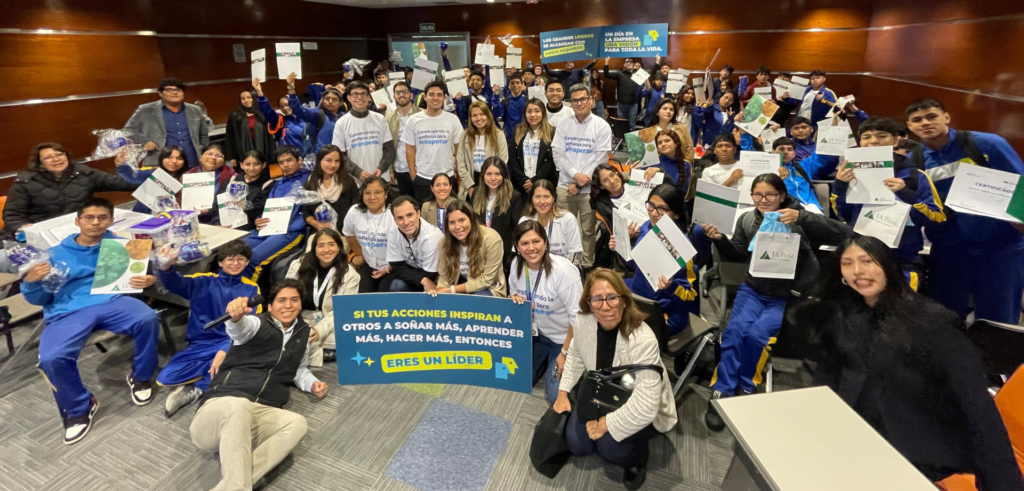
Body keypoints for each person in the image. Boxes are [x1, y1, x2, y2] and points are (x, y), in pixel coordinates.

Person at [798, 236, 1024, 490]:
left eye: (867, 261)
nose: (857, 271)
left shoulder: (931, 323)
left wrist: (1002, 485)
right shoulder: (846, 314)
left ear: (887, 266)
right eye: (847, 263)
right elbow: (829, 375)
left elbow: (976, 406)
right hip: (855, 438)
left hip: (912, 453)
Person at [24, 198, 159, 445]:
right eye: (89, 217)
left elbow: (137, 278)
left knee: (147, 318)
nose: (96, 222)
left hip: (112, 301)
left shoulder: (123, 246)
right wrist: (31, 282)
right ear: (78, 221)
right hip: (67, 310)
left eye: (102, 217)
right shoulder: (54, 255)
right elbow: (40, 299)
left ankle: (141, 376)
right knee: (51, 358)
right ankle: (79, 407)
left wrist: (149, 281)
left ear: (111, 220)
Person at [701, 174, 819, 431]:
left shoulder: (796, 223)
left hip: (781, 296)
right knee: (734, 332)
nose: (763, 200)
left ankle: (747, 384)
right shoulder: (747, 219)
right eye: (758, 194)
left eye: (770, 195)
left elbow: (812, 266)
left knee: (757, 336)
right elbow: (738, 254)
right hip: (752, 290)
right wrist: (719, 239)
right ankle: (723, 387)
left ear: (782, 196)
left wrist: (796, 293)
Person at [189, 279, 328, 491]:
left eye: (294, 300)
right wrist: (236, 318)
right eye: (281, 300)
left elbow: (298, 369)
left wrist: (312, 383)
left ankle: (231, 485)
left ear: (301, 304)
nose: (288, 305)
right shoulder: (256, 324)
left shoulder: (303, 333)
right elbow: (240, 331)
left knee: (297, 423)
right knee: (239, 404)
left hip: (258, 414)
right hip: (220, 409)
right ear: (270, 306)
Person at [553, 269, 677, 490]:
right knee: (578, 445)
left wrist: (605, 424)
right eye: (597, 299)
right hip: (602, 393)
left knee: (610, 449)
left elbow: (646, 404)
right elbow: (576, 355)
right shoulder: (583, 321)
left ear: (624, 299)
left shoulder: (644, 340)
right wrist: (563, 392)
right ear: (589, 303)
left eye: (612, 297)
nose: (605, 306)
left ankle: (636, 460)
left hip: (636, 401)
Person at [905, 98, 1024, 324]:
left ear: (946, 117)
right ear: (910, 127)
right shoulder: (913, 162)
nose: (925, 123)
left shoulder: (989, 144)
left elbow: (1020, 186)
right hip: (949, 250)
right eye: (917, 120)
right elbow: (919, 208)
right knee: (946, 319)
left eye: (931, 116)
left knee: (998, 320)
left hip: (1000, 247)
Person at [831, 117, 945, 290]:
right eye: (867, 137)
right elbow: (843, 215)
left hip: (903, 260)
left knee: (903, 307)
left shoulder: (916, 176)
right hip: (863, 257)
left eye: (882, 136)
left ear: (895, 141)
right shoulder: (849, 175)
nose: (873, 141)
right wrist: (840, 186)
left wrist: (906, 194)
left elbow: (936, 218)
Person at [156, 239, 260, 417]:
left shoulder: (251, 289)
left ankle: (198, 387)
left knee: (237, 363)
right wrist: (165, 267)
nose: (235, 263)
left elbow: (251, 326)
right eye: (230, 259)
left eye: (241, 259)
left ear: (247, 262)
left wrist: (224, 350)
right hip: (200, 344)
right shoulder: (203, 281)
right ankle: (219, 373)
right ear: (220, 262)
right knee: (165, 378)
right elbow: (174, 283)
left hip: (231, 344)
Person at [613, 183, 706, 334]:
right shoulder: (646, 227)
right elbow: (635, 265)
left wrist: (671, 286)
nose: (654, 213)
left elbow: (689, 296)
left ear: (676, 214)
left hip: (665, 310)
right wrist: (622, 246)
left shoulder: (683, 247)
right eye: (651, 206)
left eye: (662, 209)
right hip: (639, 295)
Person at [508, 221, 583, 404]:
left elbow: (579, 318)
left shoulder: (564, 271)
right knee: (514, 378)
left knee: (556, 395)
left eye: (536, 241)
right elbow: (514, 293)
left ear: (545, 243)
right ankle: (543, 361)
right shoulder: (516, 264)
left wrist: (565, 353)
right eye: (524, 243)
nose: (531, 248)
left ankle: (575, 366)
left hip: (563, 340)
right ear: (517, 246)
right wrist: (515, 299)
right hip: (534, 335)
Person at [2, 143, 135, 240]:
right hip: (44, 234)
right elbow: (13, 215)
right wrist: (22, 228)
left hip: (78, 230)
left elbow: (125, 183)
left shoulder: (83, 173)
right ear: (40, 163)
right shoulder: (25, 182)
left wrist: (124, 168)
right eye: (48, 157)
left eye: (60, 154)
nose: (56, 159)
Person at [552, 83, 612, 272]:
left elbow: (601, 160)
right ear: (570, 103)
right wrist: (575, 175)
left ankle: (586, 266)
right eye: (575, 100)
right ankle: (564, 265)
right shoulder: (564, 125)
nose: (579, 103)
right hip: (565, 187)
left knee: (587, 231)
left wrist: (580, 183)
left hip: (589, 190)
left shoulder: (601, 126)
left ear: (591, 100)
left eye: (583, 99)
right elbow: (558, 154)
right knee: (563, 228)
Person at [286, 229, 359, 365]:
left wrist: (319, 330)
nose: (326, 250)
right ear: (314, 249)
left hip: (330, 322)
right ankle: (322, 355)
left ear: (339, 247)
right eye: (321, 245)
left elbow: (342, 311)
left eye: (331, 244)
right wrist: (296, 324)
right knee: (289, 339)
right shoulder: (298, 266)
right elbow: (287, 297)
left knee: (347, 339)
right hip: (300, 318)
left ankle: (313, 354)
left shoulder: (351, 275)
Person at [243, 145, 311, 282]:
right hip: (268, 228)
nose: (285, 165)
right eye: (281, 162)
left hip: (291, 231)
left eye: (289, 160)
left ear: (299, 160)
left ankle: (247, 292)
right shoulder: (279, 183)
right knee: (234, 250)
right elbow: (269, 207)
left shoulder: (310, 179)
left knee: (253, 258)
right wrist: (259, 219)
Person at [124, 77, 209, 169]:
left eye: (178, 90)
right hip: (158, 163)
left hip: (192, 162)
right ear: (160, 93)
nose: (174, 92)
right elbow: (128, 130)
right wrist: (145, 142)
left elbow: (203, 135)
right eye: (169, 90)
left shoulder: (195, 110)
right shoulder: (145, 110)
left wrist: (201, 150)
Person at [401, 81, 464, 202]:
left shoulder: (453, 119)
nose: (435, 98)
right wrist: (414, 176)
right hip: (423, 177)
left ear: (444, 98)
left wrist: (457, 172)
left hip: (448, 176)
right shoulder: (413, 120)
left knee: (449, 211)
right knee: (425, 211)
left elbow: (459, 148)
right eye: (431, 94)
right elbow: (410, 149)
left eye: (439, 95)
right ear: (425, 97)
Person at [430, 200, 506, 297]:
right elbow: (444, 277)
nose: (457, 227)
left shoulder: (491, 239)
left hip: (488, 288)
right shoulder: (444, 243)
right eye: (452, 222)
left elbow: (486, 280)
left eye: (461, 220)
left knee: (476, 300)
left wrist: (449, 290)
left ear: (471, 219)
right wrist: (440, 291)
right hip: (457, 286)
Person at [331, 81, 396, 183]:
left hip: (381, 177)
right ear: (349, 98)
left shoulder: (379, 119)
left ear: (369, 97)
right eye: (355, 94)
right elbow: (339, 154)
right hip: (355, 181)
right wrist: (357, 172)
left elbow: (389, 149)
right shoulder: (341, 123)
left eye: (363, 94)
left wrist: (381, 168)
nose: (359, 97)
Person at [342, 177, 397, 292]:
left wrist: (389, 268)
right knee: (363, 293)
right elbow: (349, 234)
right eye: (367, 193)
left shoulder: (395, 213)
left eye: (378, 192)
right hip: (369, 264)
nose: (372, 197)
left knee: (384, 292)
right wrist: (359, 254)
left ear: (386, 194)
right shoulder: (354, 211)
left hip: (394, 266)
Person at [468, 157, 524, 272]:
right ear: (483, 175)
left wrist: (510, 258)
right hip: (479, 252)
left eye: (497, 174)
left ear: (504, 176)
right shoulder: (476, 193)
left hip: (503, 255)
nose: (493, 178)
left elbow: (517, 231)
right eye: (488, 174)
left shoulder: (514, 197)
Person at [385, 195, 444, 292]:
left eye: (409, 215)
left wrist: (423, 280)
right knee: (395, 285)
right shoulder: (393, 231)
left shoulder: (431, 237)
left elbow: (431, 274)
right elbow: (396, 266)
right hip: (414, 273)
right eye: (400, 218)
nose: (406, 222)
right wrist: (423, 280)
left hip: (435, 277)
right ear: (395, 220)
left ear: (418, 214)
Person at [518, 179, 583, 265]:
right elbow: (520, 252)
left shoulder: (567, 219)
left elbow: (575, 253)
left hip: (563, 269)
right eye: (538, 197)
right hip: (534, 269)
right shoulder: (525, 221)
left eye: (546, 197)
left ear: (553, 198)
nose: (542, 201)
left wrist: (563, 270)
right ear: (532, 199)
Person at [301, 144, 359, 233]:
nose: (333, 165)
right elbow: (306, 213)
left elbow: (356, 207)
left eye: (337, 161)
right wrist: (316, 224)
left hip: (345, 233)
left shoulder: (347, 181)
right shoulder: (310, 183)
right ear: (319, 160)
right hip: (320, 233)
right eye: (328, 160)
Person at [772, 137, 839, 213]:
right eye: (781, 149)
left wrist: (830, 134)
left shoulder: (804, 165)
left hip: (811, 206)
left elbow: (821, 154)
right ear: (773, 151)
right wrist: (779, 180)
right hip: (787, 208)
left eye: (789, 149)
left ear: (794, 154)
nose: (785, 152)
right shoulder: (767, 170)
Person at [456, 102, 509, 197]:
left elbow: (503, 162)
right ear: (470, 118)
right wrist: (470, 186)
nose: (478, 118)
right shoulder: (465, 135)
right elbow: (460, 163)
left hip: (493, 181)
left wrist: (492, 182)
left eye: (482, 114)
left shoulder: (499, 135)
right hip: (471, 181)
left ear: (488, 116)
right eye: (474, 115)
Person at [114, 145, 187, 214]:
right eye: (169, 157)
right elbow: (132, 176)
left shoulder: (188, 177)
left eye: (179, 158)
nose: (174, 161)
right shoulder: (151, 173)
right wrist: (120, 165)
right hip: (146, 215)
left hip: (177, 216)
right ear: (161, 159)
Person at [508, 99, 559, 198]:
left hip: (545, 184)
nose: (533, 115)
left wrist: (534, 181)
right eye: (529, 111)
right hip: (521, 185)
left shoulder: (552, 132)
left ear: (543, 113)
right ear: (525, 114)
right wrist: (524, 180)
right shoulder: (517, 130)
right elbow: (513, 158)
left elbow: (551, 161)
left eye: (537, 111)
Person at [286, 72, 347, 154]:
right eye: (327, 98)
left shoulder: (344, 117)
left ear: (340, 103)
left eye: (334, 99)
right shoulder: (317, 114)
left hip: (340, 156)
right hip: (321, 157)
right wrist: (291, 89)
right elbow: (298, 110)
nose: (330, 101)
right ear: (322, 101)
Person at [590, 164, 635, 270]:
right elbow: (614, 230)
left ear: (617, 173)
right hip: (626, 244)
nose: (612, 181)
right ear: (601, 186)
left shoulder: (633, 187)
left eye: (612, 175)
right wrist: (626, 236)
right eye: (605, 180)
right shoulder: (603, 204)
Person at [185, 143, 238, 225]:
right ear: (201, 157)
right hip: (190, 219)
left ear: (224, 161)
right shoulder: (188, 176)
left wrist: (209, 211)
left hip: (220, 220)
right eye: (209, 154)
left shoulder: (232, 177)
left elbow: (234, 205)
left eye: (218, 156)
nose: (213, 158)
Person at [386, 81, 423, 196]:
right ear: (394, 97)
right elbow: (388, 147)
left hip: (421, 168)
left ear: (411, 95)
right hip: (401, 169)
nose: (401, 95)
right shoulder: (389, 119)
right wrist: (391, 169)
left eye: (405, 92)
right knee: (406, 202)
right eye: (398, 92)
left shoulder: (422, 115)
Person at [224, 87, 276, 167]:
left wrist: (272, 155)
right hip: (241, 154)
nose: (246, 101)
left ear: (254, 98)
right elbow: (229, 137)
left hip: (263, 152)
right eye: (243, 98)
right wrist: (231, 157)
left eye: (249, 97)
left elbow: (269, 137)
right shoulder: (235, 115)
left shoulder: (262, 113)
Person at [639, 98, 695, 166]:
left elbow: (689, 149)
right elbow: (643, 157)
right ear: (657, 112)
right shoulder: (648, 132)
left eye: (671, 109)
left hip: (680, 167)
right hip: (656, 169)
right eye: (665, 109)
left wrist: (686, 165)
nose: (668, 111)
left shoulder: (681, 128)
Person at [253, 77, 306, 149]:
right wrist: (259, 93)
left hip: (306, 154)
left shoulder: (306, 119)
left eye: (287, 105)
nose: (285, 108)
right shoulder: (280, 121)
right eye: (282, 106)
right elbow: (267, 111)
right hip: (286, 154)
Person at [231, 150, 270, 231]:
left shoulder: (268, 184)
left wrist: (244, 204)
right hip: (226, 222)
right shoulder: (233, 180)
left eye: (256, 164)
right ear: (241, 165)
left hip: (248, 227)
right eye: (247, 164)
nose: (251, 168)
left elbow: (260, 209)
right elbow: (217, 205)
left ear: (263, 165)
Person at [603, 57, 642, 128]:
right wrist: (606, 62)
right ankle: (622, 136)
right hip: (621, 105)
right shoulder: (620, 74)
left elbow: (650, 75)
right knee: (621, 124)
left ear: (633, 64)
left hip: (633, 104)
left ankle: (630, 136)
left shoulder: (637, 74)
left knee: (632, 125)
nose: (628, 63)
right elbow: (606, 74)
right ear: (624, 64)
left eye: (630, 61)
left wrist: (657, 62)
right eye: (627, 62)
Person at [495, 73, 527, 142]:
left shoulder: (527, 101)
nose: (515, 85)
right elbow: (497, 114)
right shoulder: (505, 102)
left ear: (522, 85)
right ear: (509, 86)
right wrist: (495, 96)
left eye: (517, 83)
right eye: (512, 83)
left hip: (524, 137)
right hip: (509, 138)